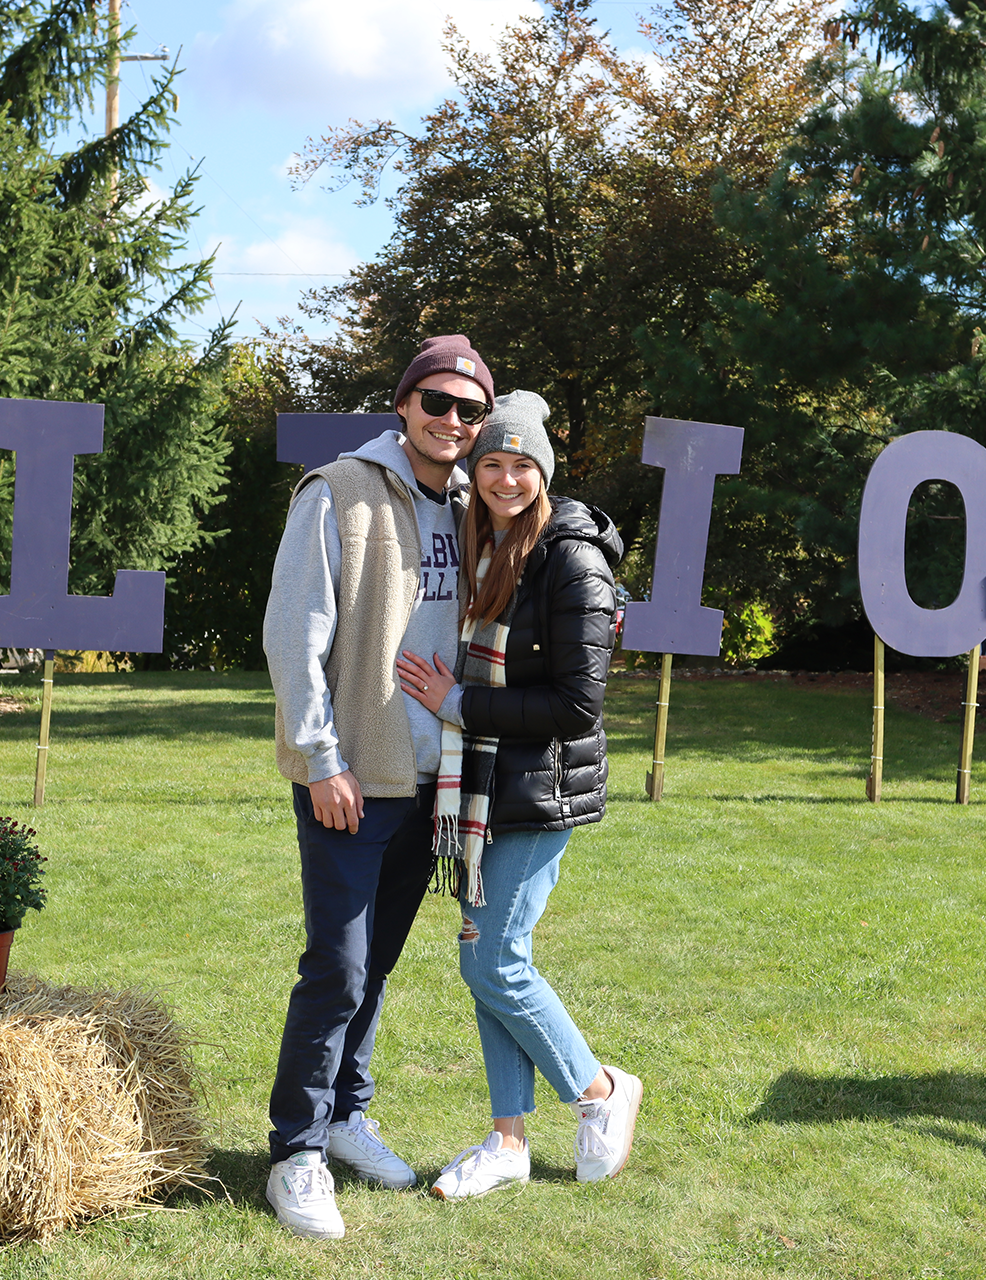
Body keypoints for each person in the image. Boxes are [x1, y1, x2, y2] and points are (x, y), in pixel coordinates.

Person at [261, 334, 495, 1239]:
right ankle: (295, 1152)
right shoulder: (339, 492)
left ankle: (346, 1117)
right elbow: (294, 635)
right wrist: (322, 759)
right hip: (354, 776)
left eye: (469, 410)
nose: (451, 420)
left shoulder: (473, 505)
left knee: (378, 965)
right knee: (339, 966)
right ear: (403, 404)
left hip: (434, 779)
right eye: (436, 401)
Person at [395, 390, 643, 1201]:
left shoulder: (571, 558)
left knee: (495, 960)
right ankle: (508, 1141)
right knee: (486, 961)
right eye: (492, 462)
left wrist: (458, 704)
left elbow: (577, 705)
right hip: (487, 786)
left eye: (521, 464)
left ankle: (599, 1091)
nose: (505, 478)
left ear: (545, 472)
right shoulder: (488, 543)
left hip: (540, 788)